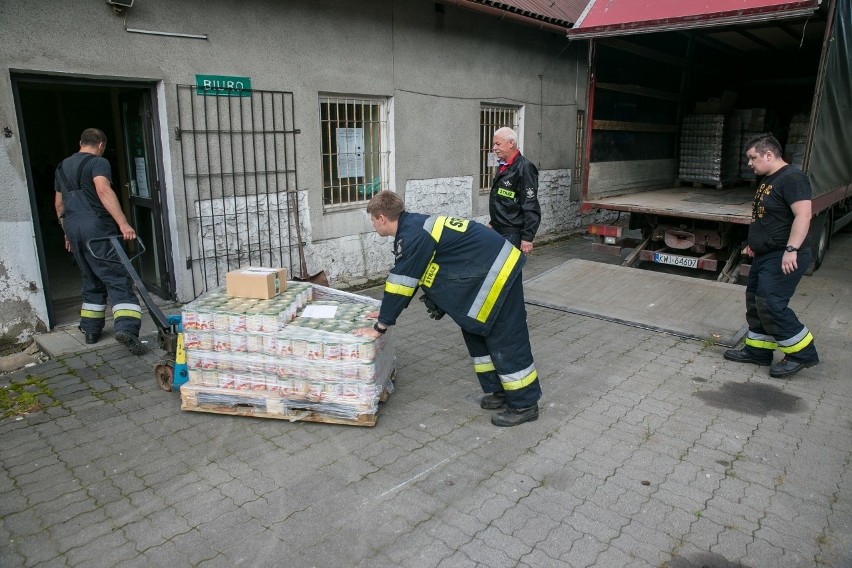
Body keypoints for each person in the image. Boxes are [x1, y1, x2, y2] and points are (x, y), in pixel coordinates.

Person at [358, 191, 542, 426]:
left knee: (505, 337)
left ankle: (524, 404)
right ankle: (501, 391)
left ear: (382, 217)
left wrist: (381, 325)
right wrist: (386, 309)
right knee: (476, 332)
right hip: (486, 273)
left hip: (499, 273)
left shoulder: (413, 235)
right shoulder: (413, 226)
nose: (373, 226)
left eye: (373, 220)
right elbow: (412, 276)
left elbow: (402, 282)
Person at [724, 132, 819, 378]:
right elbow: (769, 216)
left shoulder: (793, 178)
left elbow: (803, 215)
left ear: (768, 154)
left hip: (784, 255)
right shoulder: (768, 179)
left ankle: (802, 353)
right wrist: (754, 243)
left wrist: (791, 249)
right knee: (756, 300)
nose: (749, 163)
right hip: (766, 254)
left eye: (752, 158)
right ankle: (758, 351)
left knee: (770, 303)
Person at [54, 128, 147, 355]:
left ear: (80, 142)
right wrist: (123, 223)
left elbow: (59, 205)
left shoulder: (62, 167)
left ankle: (91, 330)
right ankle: (127, 329)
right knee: (117, 277)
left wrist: (67, 233)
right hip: (97, 229)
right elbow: (103, 190)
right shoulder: (98, 163)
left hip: (73, 227)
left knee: (91, 277)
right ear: (101, 145)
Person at [488, 127, 541, 255]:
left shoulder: (525, 168)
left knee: (508, 269)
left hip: (512, 232)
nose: (494, 148)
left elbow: (530, 204)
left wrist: (527, 238)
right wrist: (493, 222)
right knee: (499, 268)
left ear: (511, 143)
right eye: (494, 144)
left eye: (498, 144)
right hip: (498, 228)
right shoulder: (504, 165)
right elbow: (502, 198)